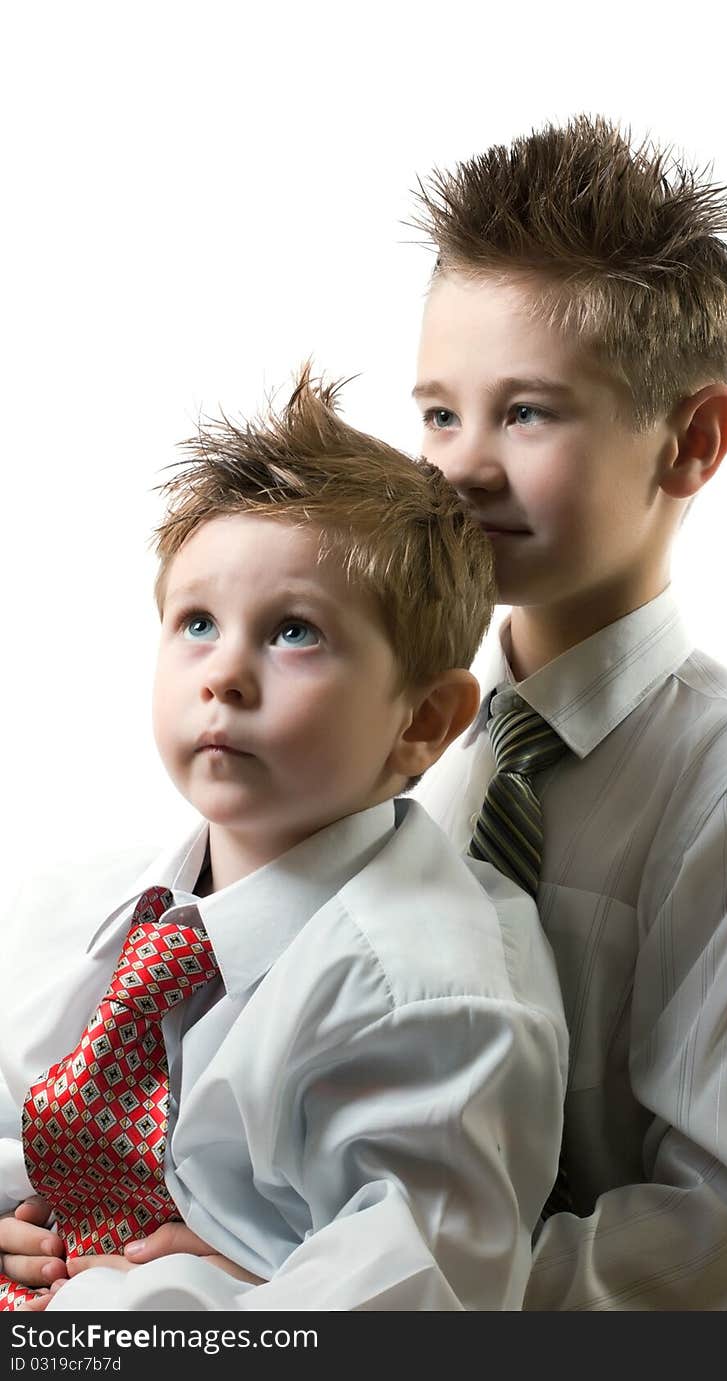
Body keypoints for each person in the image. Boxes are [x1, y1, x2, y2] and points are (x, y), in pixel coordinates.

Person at [406, 116, 727, 1309]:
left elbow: (717, 1238)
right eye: (438, 413)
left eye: (527, 414)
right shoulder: (410, 746)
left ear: (693, 441)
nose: (463, 466)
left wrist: (377, 1298)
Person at [0, 369, 568, 1312]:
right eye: (196, 623)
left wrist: (153, 1301)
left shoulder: (432, 994)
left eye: (294, 631)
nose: (223, 671)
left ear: (424, 720)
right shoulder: (90, 909)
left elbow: (413, 1301)